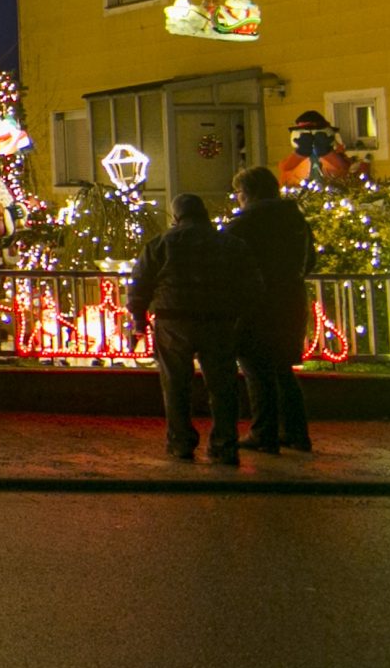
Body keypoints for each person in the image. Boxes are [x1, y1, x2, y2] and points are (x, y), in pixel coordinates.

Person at [128, 193, 256, 463]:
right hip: (218, 320)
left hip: (173, 320)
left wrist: (139, 318)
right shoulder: (230, 244)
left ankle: (180, 442)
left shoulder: (161, 244)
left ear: (177, 216)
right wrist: (238, 314)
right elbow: (251, 284)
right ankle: (224, 444)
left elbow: (140, 283)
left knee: (175, 384)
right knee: (222, 386)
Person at [227, 165, 317, 452]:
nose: (238, 198)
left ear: (248, 193)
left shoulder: (244, 224)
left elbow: (226, 262)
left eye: (238, 192)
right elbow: (310, 261)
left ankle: (263, 432)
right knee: (281, 369)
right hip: (290, 299)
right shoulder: (296, 221)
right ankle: (295, 432)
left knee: (256, 368)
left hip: (256, 304)